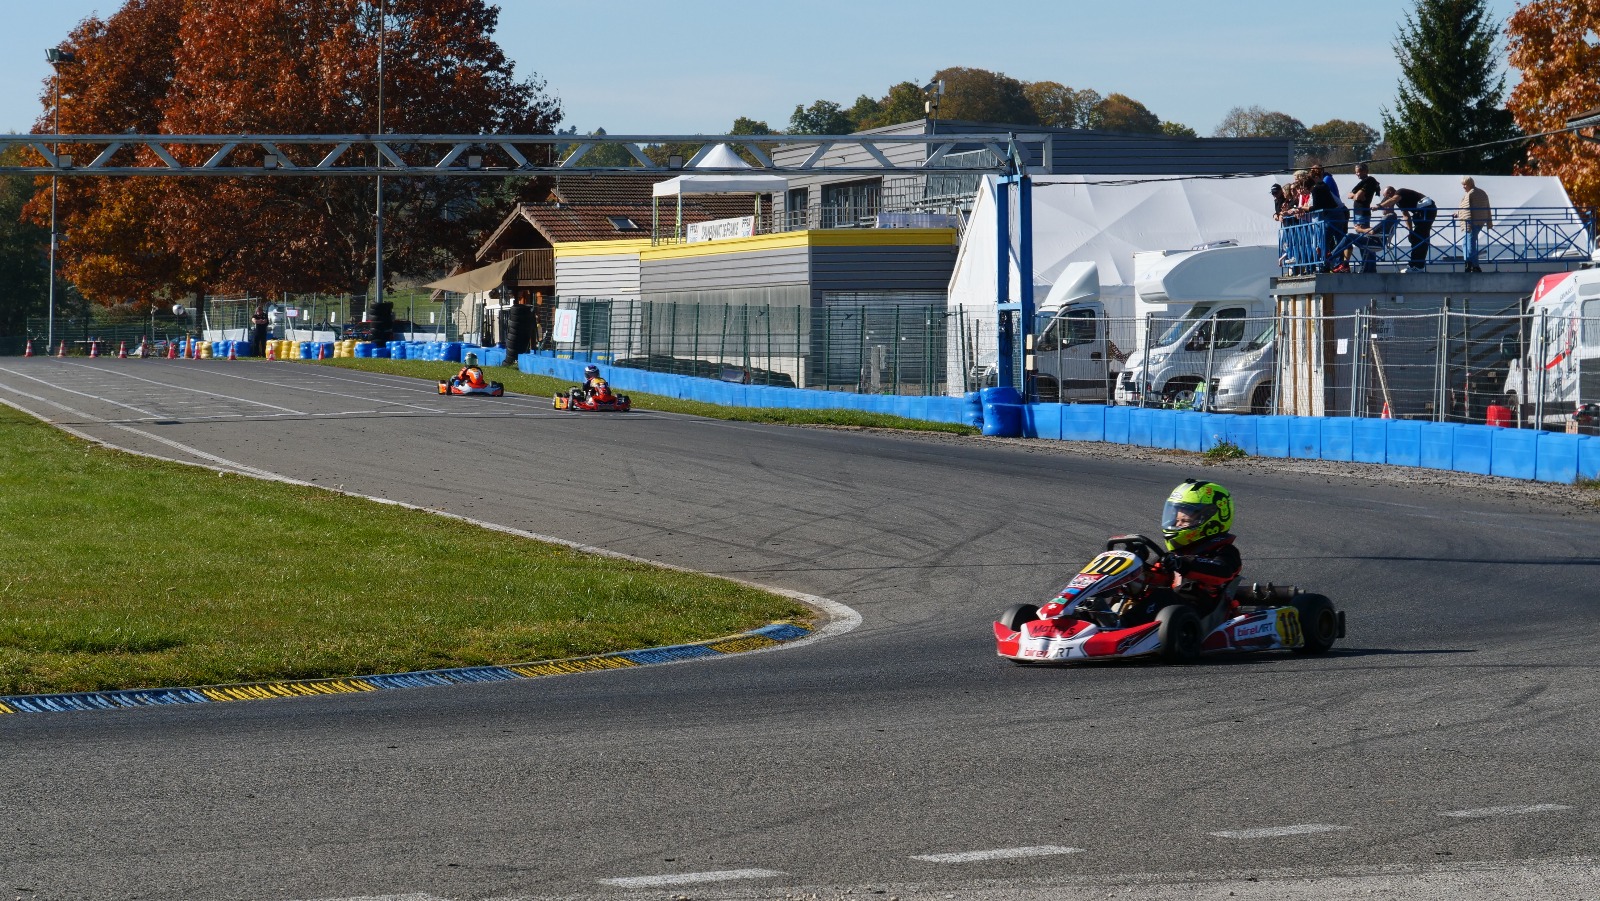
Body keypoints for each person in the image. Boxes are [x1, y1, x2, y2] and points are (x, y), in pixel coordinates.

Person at [1116, 480, 1242, 627]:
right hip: (1172, 612)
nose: (1177, 525)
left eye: (1185, 521)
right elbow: (1157, 578)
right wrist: (1137, 570)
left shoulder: (1224, 550)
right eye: (1176, 520)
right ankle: (1093, 616)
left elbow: (1222, 571)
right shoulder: (1176, 554)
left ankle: (1122, 627)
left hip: (1199, 615)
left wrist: (1185, 563)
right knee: (1123, 586)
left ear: (1210, 519)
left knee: (1163, 596)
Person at [1390, 186, 1437, 271]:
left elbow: (1392, 200)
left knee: (1421, 237)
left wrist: (1379, 206)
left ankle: (1418, 265)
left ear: (1390, 193)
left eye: (1386, 196)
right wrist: (1410, 231)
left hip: (1426, 210)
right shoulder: (1399, 203)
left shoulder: (1399, 192)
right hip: (1421, 212)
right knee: (1416, 238)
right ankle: (1415, 264)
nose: (1386, 199)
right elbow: (1406, 215)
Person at [1457, 177, 1492, 272]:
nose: (1463, 187)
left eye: (1465, 184)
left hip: (1471, 222)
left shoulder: (1470, 194)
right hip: (1480, 221)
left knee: (1470, 244)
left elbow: (1466, 209)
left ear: (1470, 184)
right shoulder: (1482, 192)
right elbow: (1487, 206)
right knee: (1465, 243)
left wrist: (1462, 217)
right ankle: (1468, 263)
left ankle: (1474, 266)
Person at [1347, 162, 1380, 229]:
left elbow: (1358, 196)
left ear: (1365, 171)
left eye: (1358, 172)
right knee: (1358, 231)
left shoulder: (1370, 181)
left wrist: (1356, 196)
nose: (1356, 174)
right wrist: (1356, 196)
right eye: (1356, 172)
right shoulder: (1363, 182)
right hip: (1357, 212)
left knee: (1362, 232)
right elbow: (1349, 195)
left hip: (1363, 213)